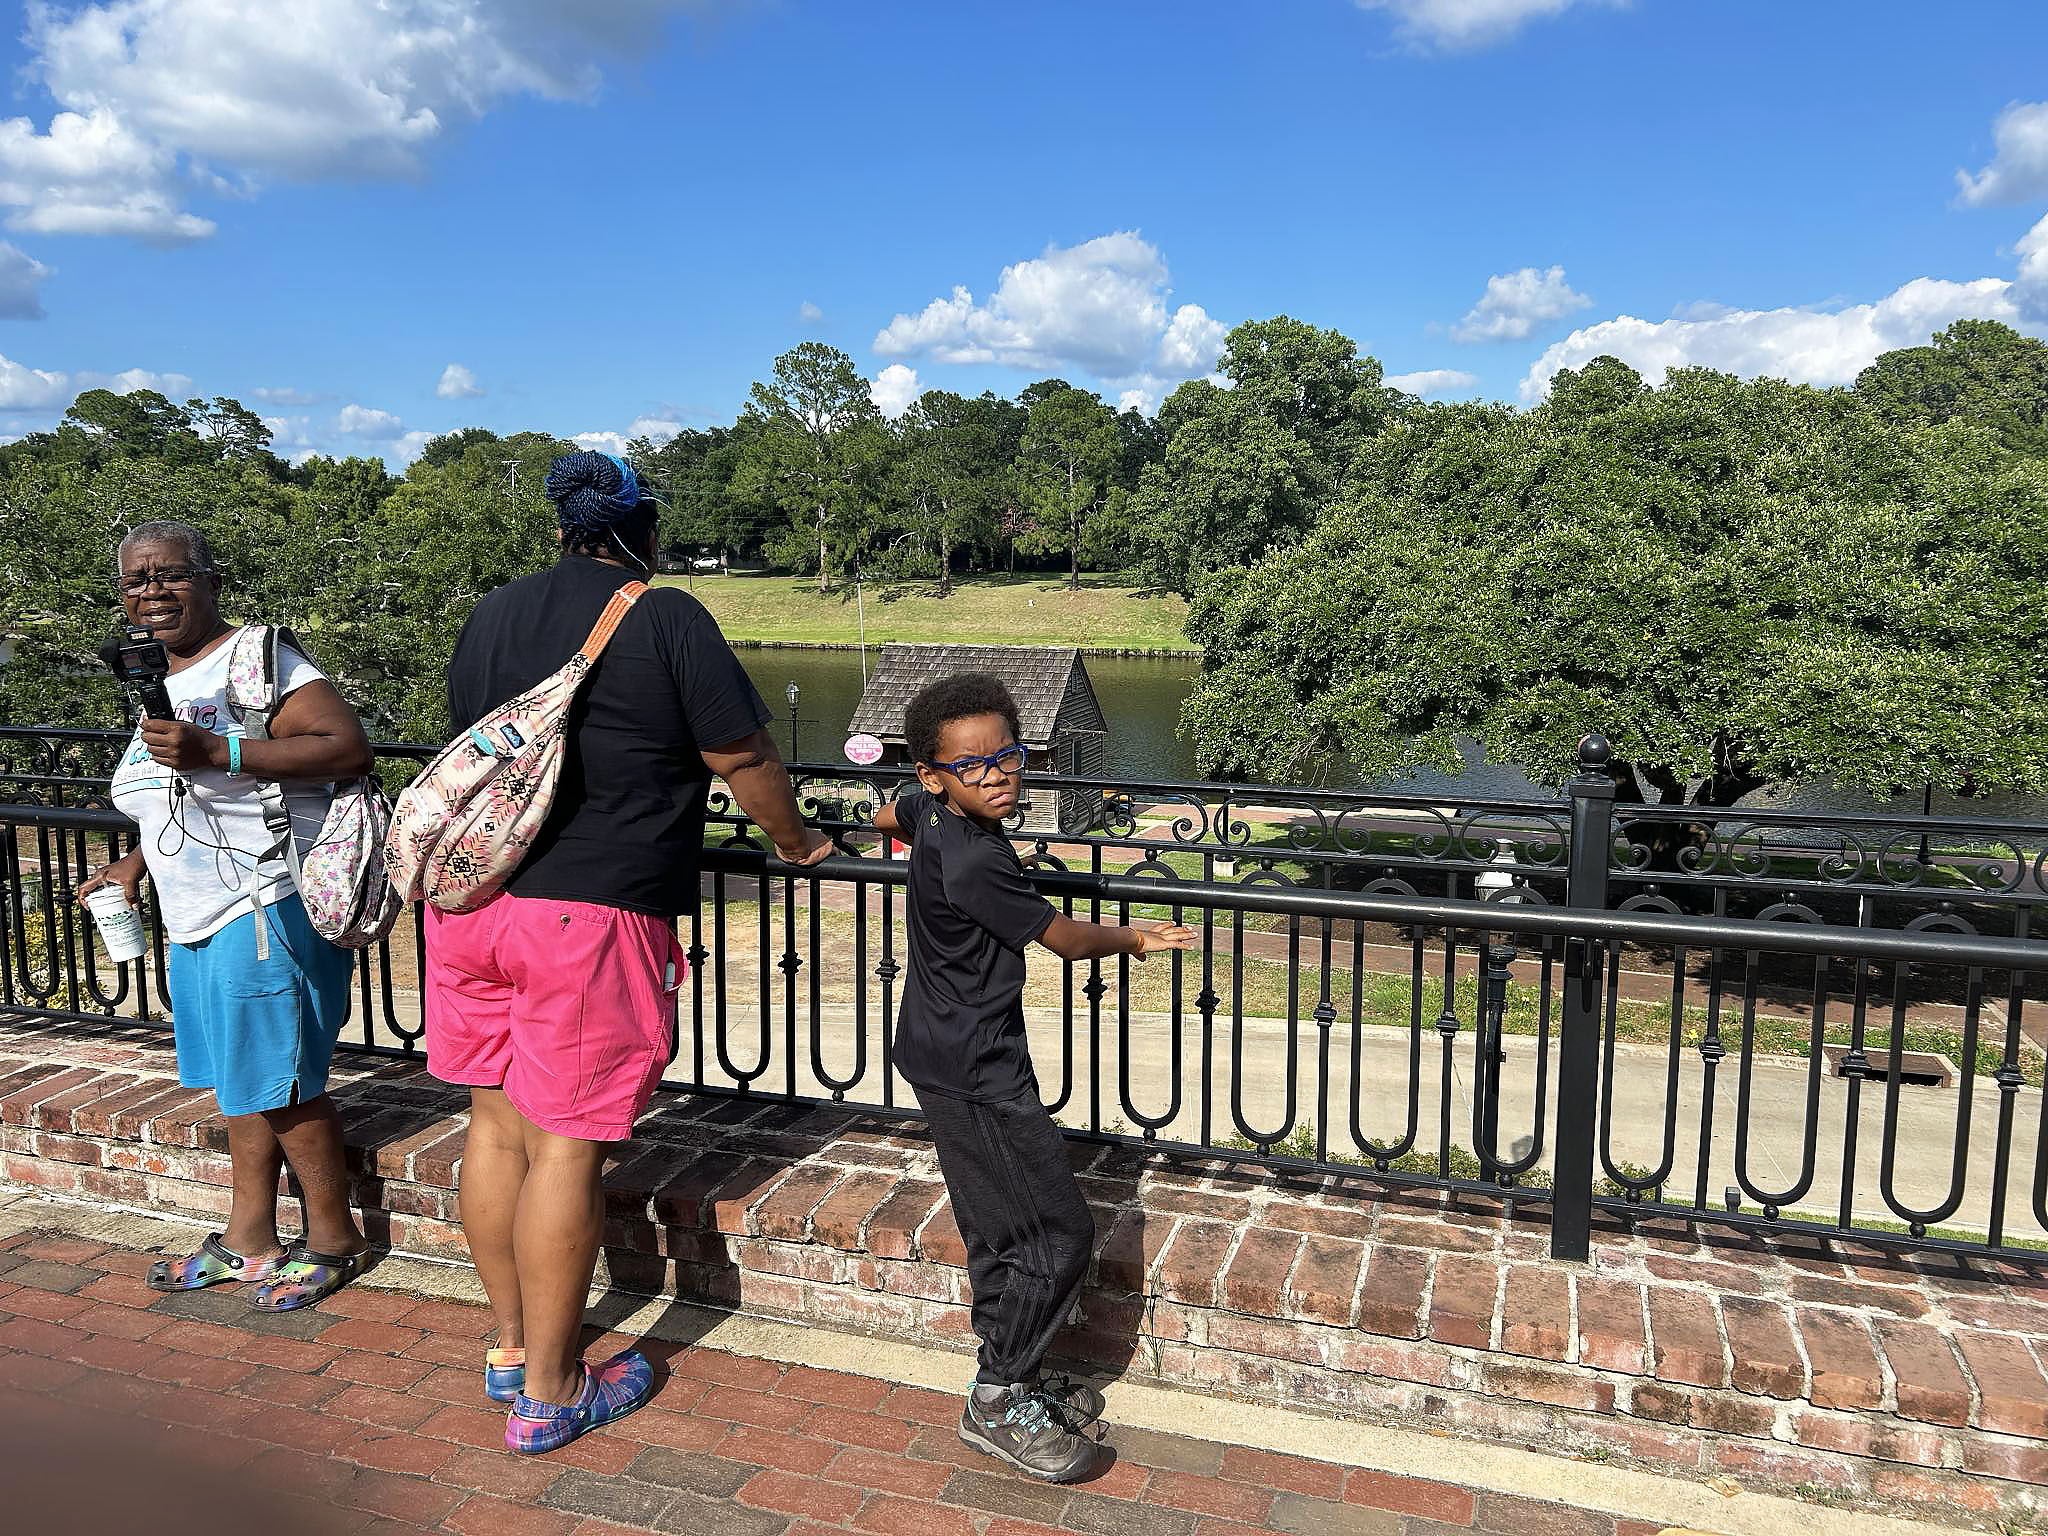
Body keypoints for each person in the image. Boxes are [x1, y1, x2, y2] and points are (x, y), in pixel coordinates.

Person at [426, 450, 831, 1455]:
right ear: (640, 531)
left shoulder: (492, 614)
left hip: (471, 902)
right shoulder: (662, 615)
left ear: (563, 529)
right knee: (568, 1144)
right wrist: (799, 842)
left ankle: (514, 1347)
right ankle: (557, 1393)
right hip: (588, 917)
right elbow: (740, 754)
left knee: (492, 1127)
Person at [870, 673, 1197, 1483]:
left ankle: (1008, 1367)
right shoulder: (979, 858)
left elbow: (889, 813)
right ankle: (996, 1395)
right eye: (975, 765)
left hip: (943, 1051)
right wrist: (1137, 939)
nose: (1001, 774)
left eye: (1009, 756)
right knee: (1058, 1234)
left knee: (999, 1229)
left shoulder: (930, 815)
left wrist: (833, 832)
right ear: (936, 773)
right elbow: (1062, 941)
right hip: (977, 1069)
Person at [79, 520, 374, 1310]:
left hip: (264, 904)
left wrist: (223, 752)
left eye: (170, 575)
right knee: (241, 1084)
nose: (154, 593)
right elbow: (176, 797)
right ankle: (248, 1241)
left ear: (209, 579)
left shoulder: (261, 658)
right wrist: (136, 864)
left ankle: (334, 1239)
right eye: (138, 581)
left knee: (283, 1084)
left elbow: (347, 747)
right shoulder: (158, 679)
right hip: (197, 914)